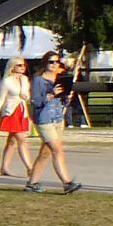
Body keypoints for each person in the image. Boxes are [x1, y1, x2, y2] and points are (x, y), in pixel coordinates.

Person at [23, 52, 81, 194]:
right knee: (57, 149)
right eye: (51, 62)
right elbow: (36, 101)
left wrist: (67, 96)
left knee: (45, 153)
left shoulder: (59, 78)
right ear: (44, 63)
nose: (54, 65)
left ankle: (32, 183)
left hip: (57, 117)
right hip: (44, 119)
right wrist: (51, 94)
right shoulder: (38, 80)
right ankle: (67, 182)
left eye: (56, 62)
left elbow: (63, 101)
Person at [0, 58, 34, 178]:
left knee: (12, 141)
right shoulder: (7, 81)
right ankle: (30, 167)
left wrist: (25, 97)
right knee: (22, 139)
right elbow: (0, 100)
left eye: (23, 65)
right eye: (19, 65)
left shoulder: (24, 79)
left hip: (21, 111)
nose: (22, 67)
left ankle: (4, 167)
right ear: (12, 67)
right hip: (11, 113)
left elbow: (27, 96)